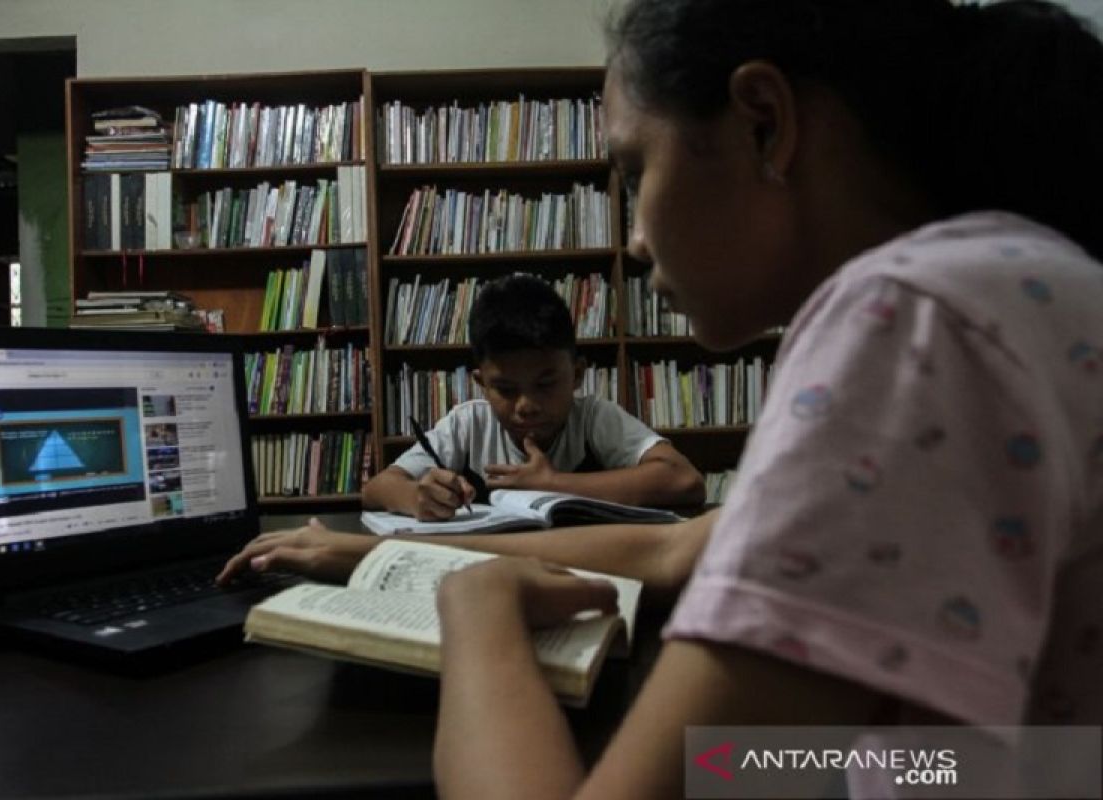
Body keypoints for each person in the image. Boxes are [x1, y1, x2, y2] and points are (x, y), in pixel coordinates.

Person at [423, 1, 1103, 798]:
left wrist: (476, 614)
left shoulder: (916, 321)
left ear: (762, 122)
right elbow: (682, 549)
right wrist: (374, 554)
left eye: (638, 172)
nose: (636, 238)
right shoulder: (1015, 292)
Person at [362, 273, 707, 519]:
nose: (526, 406)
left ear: (576, 375)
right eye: (507, 390)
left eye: (545, 384)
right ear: (482, 383)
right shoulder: (469, 424)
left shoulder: (592, 418)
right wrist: (415, 496)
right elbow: (377, 489)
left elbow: (684, 480)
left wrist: (553, 483)